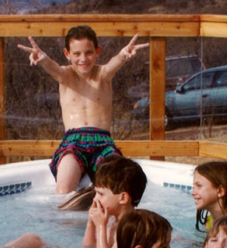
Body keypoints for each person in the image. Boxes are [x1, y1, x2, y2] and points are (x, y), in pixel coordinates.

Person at [18, 25, 149, 194]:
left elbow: (112, 65)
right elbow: (54, 68)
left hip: (103, 144)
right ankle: (65, 220)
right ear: (67, 54)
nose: (83, 59)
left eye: (88, 52)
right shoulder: (65, 75)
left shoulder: (103, 74)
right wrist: (42, 58)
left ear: (97, 52)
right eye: (76, 54)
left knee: (117, 187)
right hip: (73, 143)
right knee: (64, 189)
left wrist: (123, 55)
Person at [82, 156, 147, 248]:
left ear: (123, 198)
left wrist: (100, 226)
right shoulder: (113, 221)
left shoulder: (132, 228)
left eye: (100, 194)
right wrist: (91, 223)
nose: (95, 199)